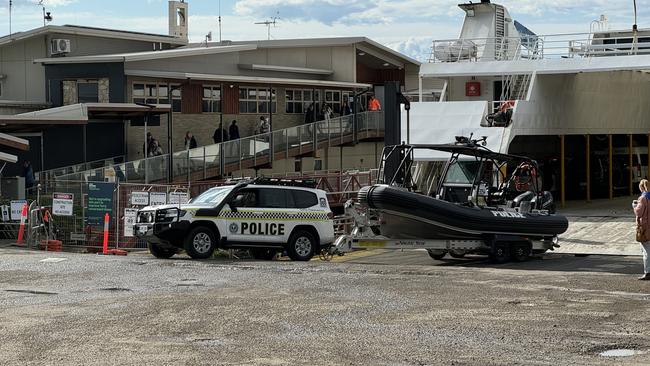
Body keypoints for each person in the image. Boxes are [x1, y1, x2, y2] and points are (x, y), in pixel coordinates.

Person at [634, 179, 650, 280]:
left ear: (641, 187)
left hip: (645, 227)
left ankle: (648, 272)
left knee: (646, 250)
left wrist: (634, 206)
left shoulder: (642, 198)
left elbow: (639, 212)